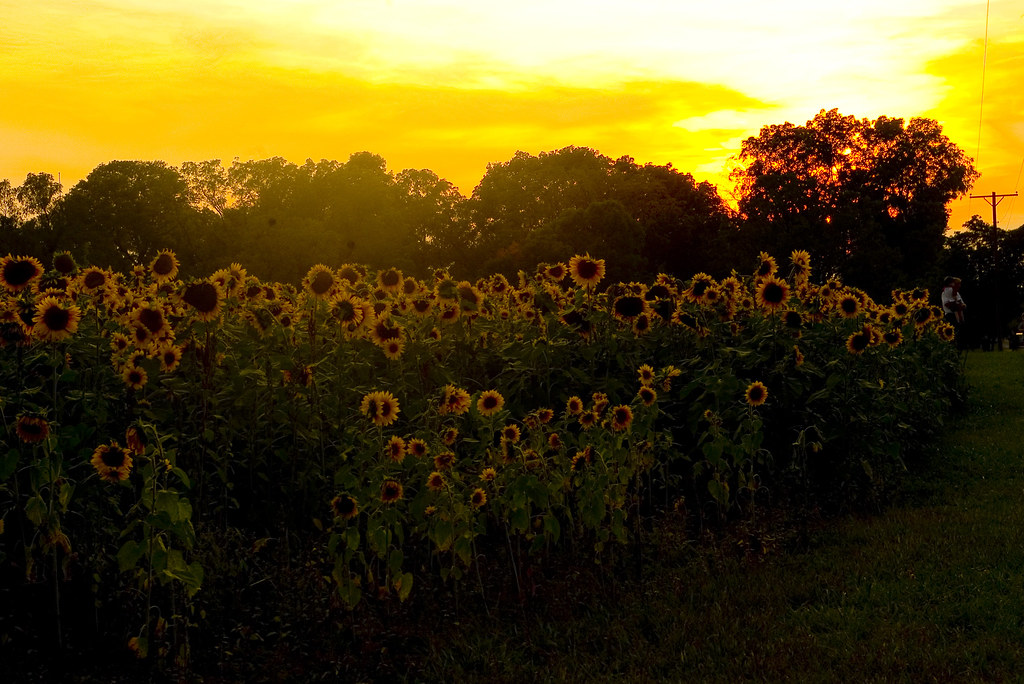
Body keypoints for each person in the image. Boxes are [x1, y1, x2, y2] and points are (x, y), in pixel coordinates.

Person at [941, 276, 966, 348]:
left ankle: (958, 347)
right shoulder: (945, 292)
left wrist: (959, 305)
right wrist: (957, 305)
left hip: (958, 315)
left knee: (958, 333)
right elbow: (947, 304)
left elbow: (962, 304)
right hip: (950, 315)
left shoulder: (956, 294)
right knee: (952, 333)